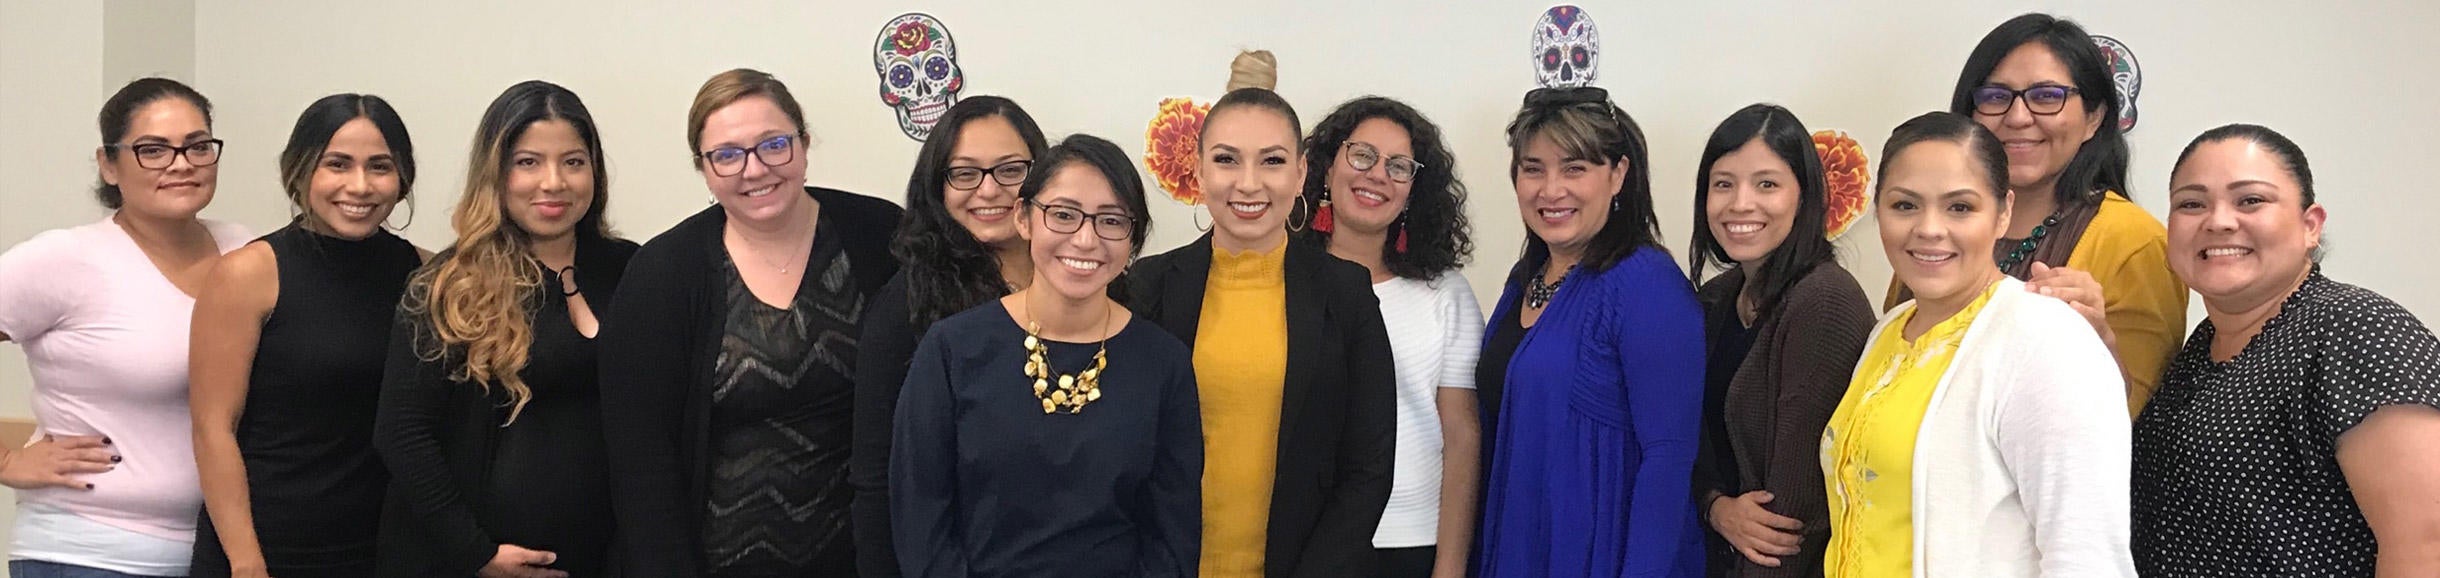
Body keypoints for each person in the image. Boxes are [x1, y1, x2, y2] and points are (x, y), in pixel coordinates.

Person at [598, 68, 902, 577]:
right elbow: (641, 464)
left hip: (869, 556)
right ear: (704, 168)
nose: (755, 169)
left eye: (773, 144)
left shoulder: (882, 237)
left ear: (804, 144)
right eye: (728, 155)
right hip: (719, 561)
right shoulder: (663, 274)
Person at [1819, 111, 2132, 577]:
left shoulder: (2046, 340)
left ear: (2003, 211)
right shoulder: (1889, 331)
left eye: (1959, 207)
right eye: (1905, 205)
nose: (1928, 228)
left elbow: (2086, 557)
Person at [2132, 124, 2440, 577]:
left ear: (2310, 225)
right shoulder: (2200, 350)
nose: (2218, 220)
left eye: (2250, 200)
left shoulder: (2354, 329)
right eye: (2191, 204)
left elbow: (2426, 540)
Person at [891, 134, 1202, 577]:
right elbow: (920, 518)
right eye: (1063, 215)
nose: (1085, 238)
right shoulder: (951, 350)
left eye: (1111, 221)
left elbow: (1173, 535)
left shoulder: (1163, 363)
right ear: (1024, 218)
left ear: (1132, 239)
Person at [1128, 86, 1397, 578]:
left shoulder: (1345, 294)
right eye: (1227, 160)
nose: (1248, 184)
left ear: (1300, 174)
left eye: (1271, 162)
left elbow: (1368, 468)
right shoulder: (1150, 286)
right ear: (1200, 170)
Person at [373, 80, 636, 578]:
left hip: (600, 557)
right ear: (496, 172)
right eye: (528, 162)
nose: (554, 182)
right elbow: (401, 434)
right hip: (467, 561)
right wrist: (475, 553)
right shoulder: (448, 284)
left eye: (574, 162)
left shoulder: (634, 270)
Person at [0, 77, 252, 578]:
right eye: (153, 150)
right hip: (87, 554)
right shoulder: (65, 259)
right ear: (109, 164)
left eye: (198, 146)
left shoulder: (244, 251)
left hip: (214, 552)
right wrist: (7, 463)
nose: (181, 164)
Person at [1472, 86, 1704, 577]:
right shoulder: (1526, 280)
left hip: (1601, 555)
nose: (1551, 190)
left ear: (1618, 174)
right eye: (1533, 168)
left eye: (1575, 168)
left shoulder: (1647, 285)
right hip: (1521, 544)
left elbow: (1668, 459)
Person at [190, 93, 425, 578]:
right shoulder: (248, 274)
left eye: (379, 167)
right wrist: (244, 560)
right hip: (266, 550)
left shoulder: (429, 273)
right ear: (299, 171)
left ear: (401, 178)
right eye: (337, 164)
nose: (359, 186)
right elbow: (214, 429)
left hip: (383, 549)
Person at [1910, 12, 2187, 417]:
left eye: (2046, 96)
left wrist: (2096, 340)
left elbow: (2136, 419)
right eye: (1994, 97)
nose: (2018, 117)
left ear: (2094, 118)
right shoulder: (1931, 229)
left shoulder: (2134, 241)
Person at [850, 96, 1050, 577]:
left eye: (1010, 170)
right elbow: (877, 480)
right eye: (964, 173)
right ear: (937, 186)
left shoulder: (1082, 280)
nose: (989, 190)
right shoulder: (906, 306)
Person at [1298, 96, 1482, 578]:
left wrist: (1450, 565)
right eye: (1362, 155)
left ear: (1414, 190)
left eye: (1399, 167)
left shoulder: (1446, 293)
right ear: (1325, 166)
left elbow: (1462, 437)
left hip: (1411, 541)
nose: (1377, 175)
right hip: (1301, 535)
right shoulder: (1283, 281)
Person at [1686, 104, 1873, 577]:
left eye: (1766, 184)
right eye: (1723, 183)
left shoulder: (1824, 302)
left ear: (1804, 197)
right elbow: (1684, 444)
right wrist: (1716, 507)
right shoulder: (1715, 299)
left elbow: (1790, 522)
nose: (1740, 203)